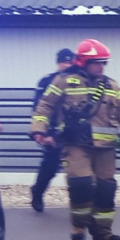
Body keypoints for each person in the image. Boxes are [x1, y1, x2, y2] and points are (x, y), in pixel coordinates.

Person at [30, 39, 120, 240]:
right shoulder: (64, 81)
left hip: (106, 148)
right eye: (96, 62)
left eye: (104, 63)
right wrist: (39, 130)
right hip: (76, 144)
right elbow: (44, 106)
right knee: (81, 184)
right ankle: (79, 224)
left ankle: (102, 232)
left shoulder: (111, 85)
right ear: (83, 62)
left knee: (106, 189)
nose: (101, 67)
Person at [29, 47, 76, 212]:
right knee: (50, 166)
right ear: (58, 63)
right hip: (54, 132)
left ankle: (79, 203)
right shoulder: (47, 82)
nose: (67, 65)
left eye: (70, 62)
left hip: (74, 133)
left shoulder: (78, 81)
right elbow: (39, 108)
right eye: (64, 62)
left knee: (78, 167)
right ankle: (37, 192)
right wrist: (44, 132)